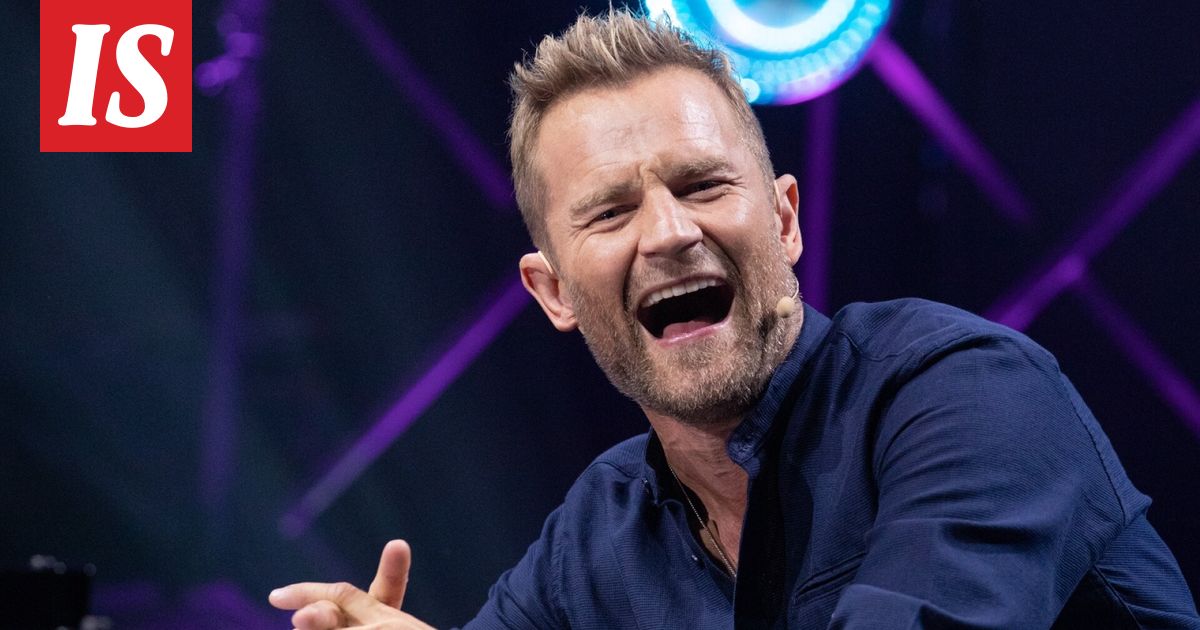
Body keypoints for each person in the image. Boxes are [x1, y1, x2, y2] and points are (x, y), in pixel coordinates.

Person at [269, 10, 1200, 629]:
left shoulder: (969, 395)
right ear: (552, 292)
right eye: (611, 211)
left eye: (704, 184)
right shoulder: (593, 542)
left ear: (786, 219)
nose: (670, 232)